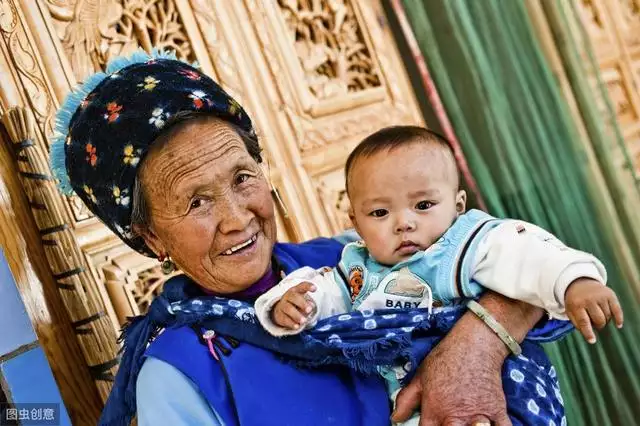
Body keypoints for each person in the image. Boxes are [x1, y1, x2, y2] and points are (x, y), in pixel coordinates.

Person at [50, 50, 568, 426]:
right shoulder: (177, 377)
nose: (237, 218)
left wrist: (476, 345)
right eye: (197, 202)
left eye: (242, 177)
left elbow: (517, 262)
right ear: (150, 236)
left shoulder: (349, 259)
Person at [255, 126, 624, 425]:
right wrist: (293, 304)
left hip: (495, 388)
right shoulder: (356, 265)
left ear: (458, 205)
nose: (404, 223)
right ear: (355, 223)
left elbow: (529, 254)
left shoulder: (464, 245)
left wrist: (576, 282)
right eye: (380, 213)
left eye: (424, 205)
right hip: (408, 399)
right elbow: (325, 291)